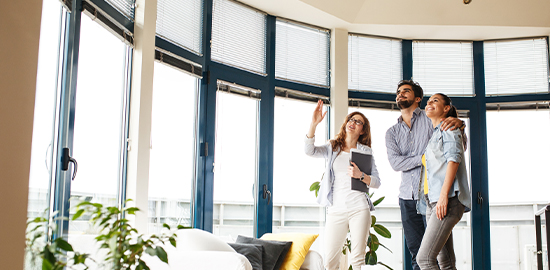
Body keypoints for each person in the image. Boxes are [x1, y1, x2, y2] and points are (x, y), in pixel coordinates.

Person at [385, 80, 464, 270]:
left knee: (432, 256)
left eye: (406, 91)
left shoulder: (432, 119)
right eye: (399, 92)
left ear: (418, 98)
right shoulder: (392, 132)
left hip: (435, 195)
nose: (400, 94)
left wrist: (459, 123)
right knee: (418, 254)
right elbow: (395, 163)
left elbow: (453, 148)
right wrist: (423, 158)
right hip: (407, 197)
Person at [305, 100, 381, 270]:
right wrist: (313, 124)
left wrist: (361, 175)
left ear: (363, 130)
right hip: (335, 209)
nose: (352, 123)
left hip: (359, 207)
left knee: (357, 259)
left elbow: (377, 182)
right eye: (350, 119)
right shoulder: (333, 147)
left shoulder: (365, 151)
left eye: (358, 121)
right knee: (330, 260)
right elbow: (309, 151)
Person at [416, 93, 471, 270]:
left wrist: (443, 196)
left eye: (435, 101)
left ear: (446, 108)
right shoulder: (435, 134)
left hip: (447, 200)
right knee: (445, 262)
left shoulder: (449, 127)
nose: (429, 103)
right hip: (432, 202)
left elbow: (453, 160)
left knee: (424, 259)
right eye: (429, 101)